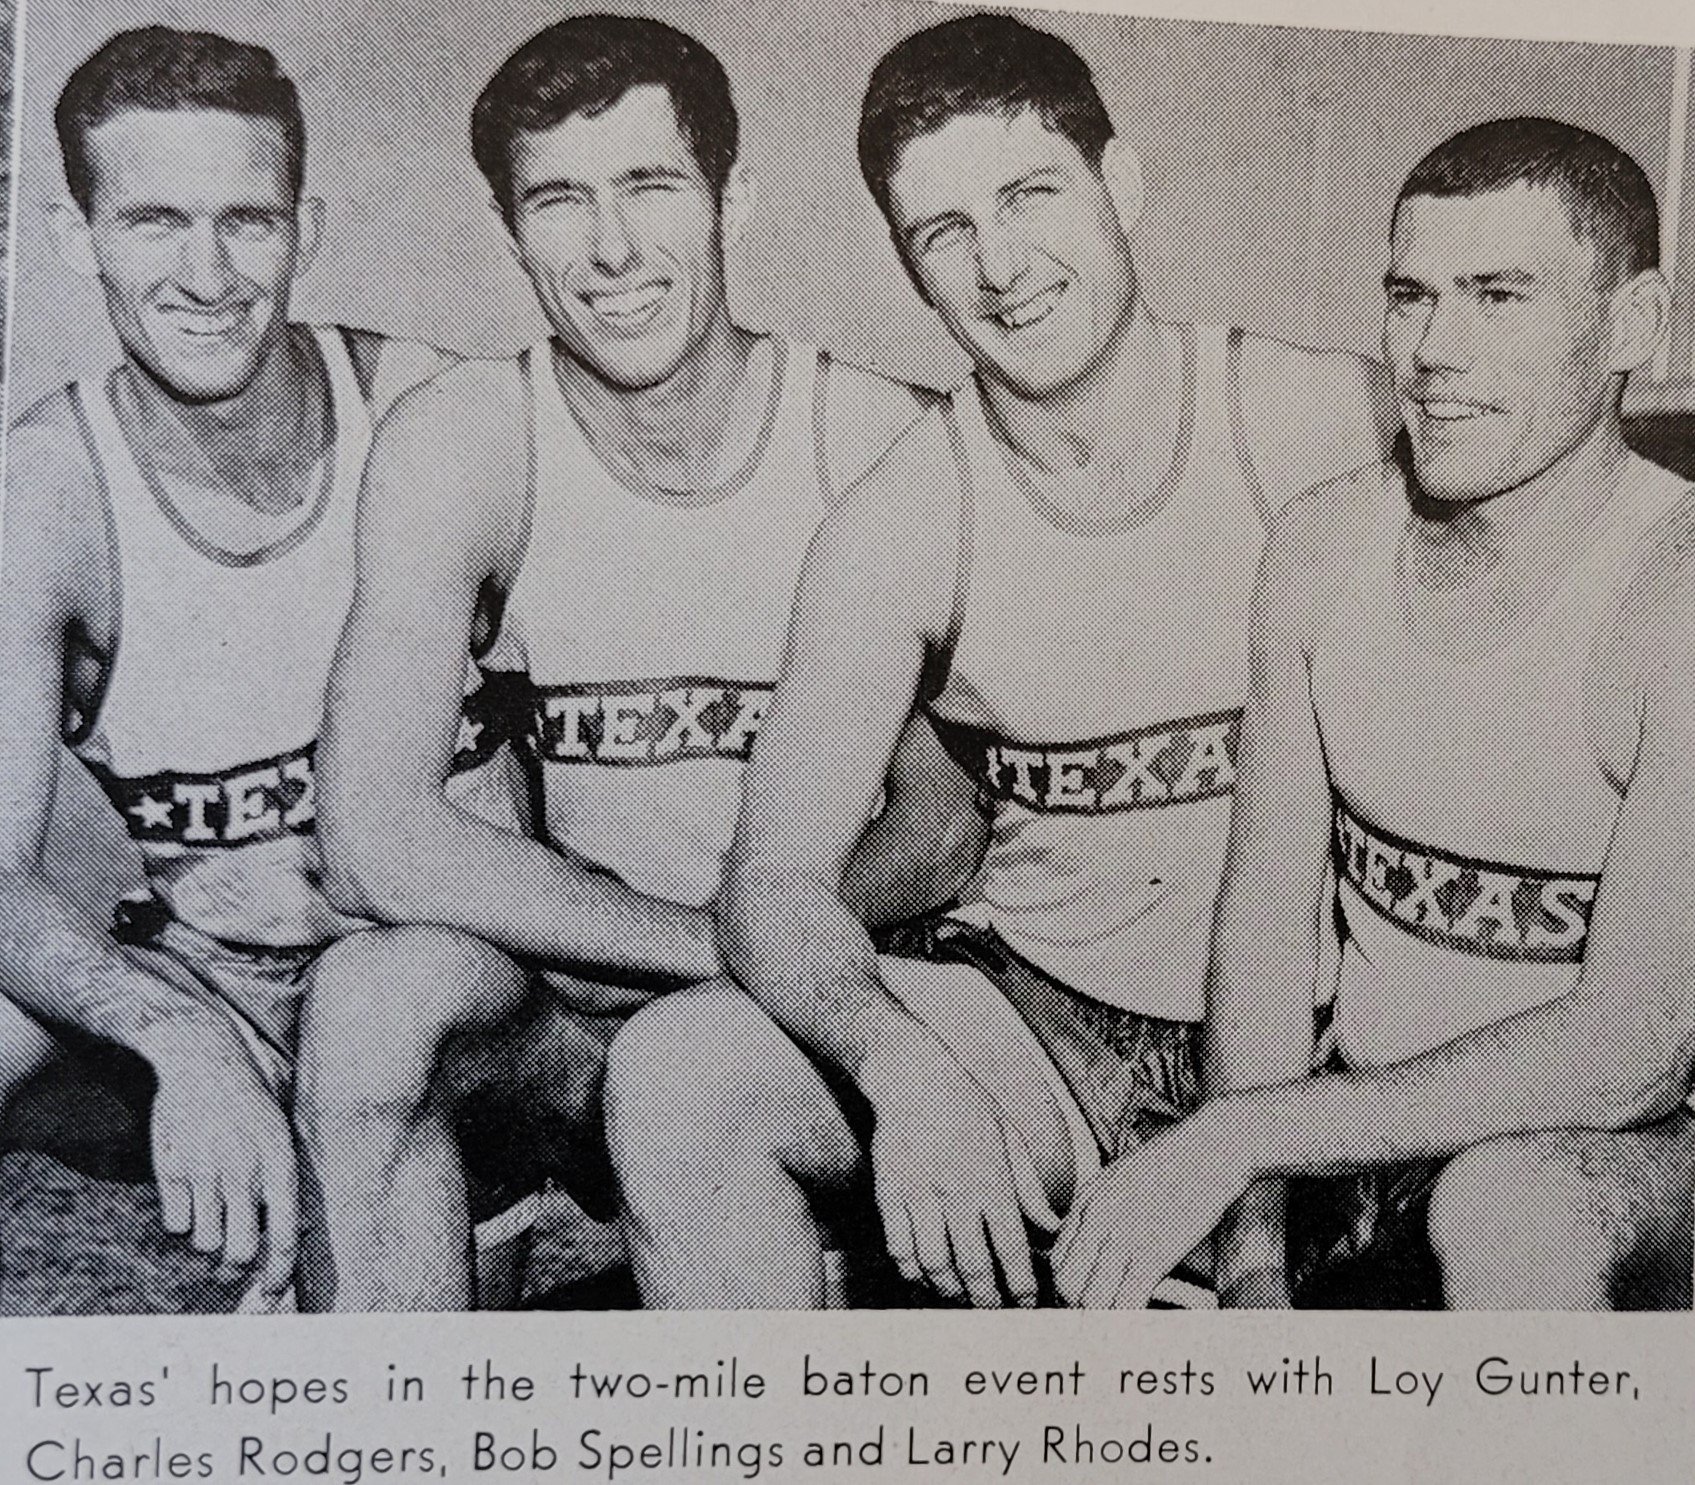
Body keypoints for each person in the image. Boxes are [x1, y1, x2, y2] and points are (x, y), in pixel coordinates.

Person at [605, 11, 1395, 1308]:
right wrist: (894, 1066)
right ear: (908, 269)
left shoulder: (1318, 416)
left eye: (1029, 194)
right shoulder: (901, 519)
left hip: (1328, 1041)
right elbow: (774, 881)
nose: (1001, 265)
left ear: (1117, 184)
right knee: (678, 1078)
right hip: (1051, 1029)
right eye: (945, 232)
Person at [300, 12, 981, 1311]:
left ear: (732, 195)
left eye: (648, 187)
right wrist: (722, 941)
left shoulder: (869, 439)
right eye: (559, 201)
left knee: (695, 1071)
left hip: (818, 1017)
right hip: (582, 1015)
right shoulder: (467, 443)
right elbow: (372, 833)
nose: (608, 249)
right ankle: (389, 1434)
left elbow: (942, 826)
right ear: (509, 230)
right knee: (368, 1002)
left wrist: (779, 961)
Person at [1052, 116, 1695, 1311]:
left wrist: (1245, 1138)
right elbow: (1261, 934)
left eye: (1500, 296)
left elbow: (1633, 1050)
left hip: (1642, 1154)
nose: (1435, 350)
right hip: (1374, 1133)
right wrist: (1251, 1260)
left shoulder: (1675, 593)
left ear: (1632, 326)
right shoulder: (1321, 544)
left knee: (1512, 1207)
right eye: (1411, 296)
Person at [0, 26, 470, 1312]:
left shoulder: (428, 412)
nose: (206, 274)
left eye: (246, 223)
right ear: (72, 235)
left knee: (382, 1001)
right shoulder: (46, 488)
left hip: (472, 998)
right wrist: (174, 1032)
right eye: (153, 221)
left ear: (304, 229)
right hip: (232, 985)